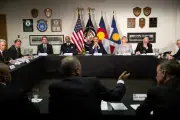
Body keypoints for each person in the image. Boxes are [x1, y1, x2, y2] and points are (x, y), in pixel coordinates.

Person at [48, 56, 129, 117]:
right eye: (79, 67)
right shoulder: (93, 82)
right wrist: (121, 81)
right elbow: (115, 96)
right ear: (77, 70)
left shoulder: (54, 87)